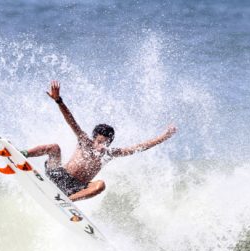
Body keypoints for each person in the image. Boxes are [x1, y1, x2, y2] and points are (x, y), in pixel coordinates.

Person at [22, 80, 177, 201]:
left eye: (106, 143)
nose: (102, 146)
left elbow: (141, 147)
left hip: (75, 188)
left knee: (100, 185)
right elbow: (71, 121)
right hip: (58, 175)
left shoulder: (110, 153)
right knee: (54, 147)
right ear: (94, 138)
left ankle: (66, 201)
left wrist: (163, 137)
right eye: (100, 141)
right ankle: (22, 154)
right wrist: (59, 101)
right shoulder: (84, 141)